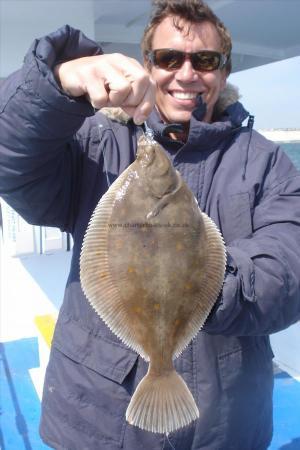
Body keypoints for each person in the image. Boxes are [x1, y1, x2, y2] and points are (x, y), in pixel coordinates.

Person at [0, 0, 300, 448]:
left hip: (226, 427)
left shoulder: (267, 161)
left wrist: (192, 280)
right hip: (97, 421)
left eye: (204, 60)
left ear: (223, 70)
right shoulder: (96, 143)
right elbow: (10, 161)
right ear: (148, 66)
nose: (186, 73)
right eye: (168, 58)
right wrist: (59, 82)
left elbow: (289, 268)